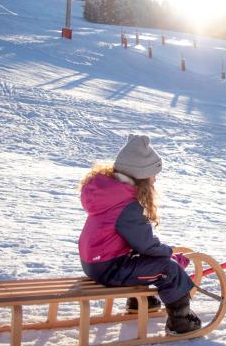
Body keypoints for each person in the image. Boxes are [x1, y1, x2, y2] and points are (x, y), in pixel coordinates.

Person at [78, 134, 201, 334]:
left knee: (143, 258)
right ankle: (182, 322)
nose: (155, 180)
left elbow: (137, 243)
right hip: (109, 269)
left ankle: (141, 302)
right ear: (141, 177)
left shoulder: (110, 193)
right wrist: (169, 253)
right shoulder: (125, 205)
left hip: (95, 262)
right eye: (153, 175)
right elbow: (146, 245)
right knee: (168, 268)